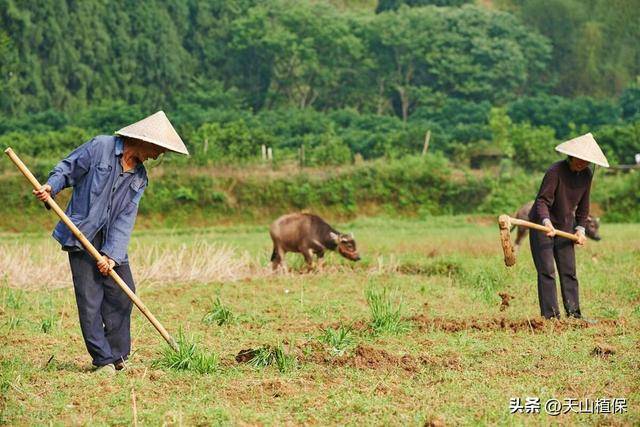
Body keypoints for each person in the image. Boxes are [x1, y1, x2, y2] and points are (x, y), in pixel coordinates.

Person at [33, 111, 189, 374]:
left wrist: (112, 256)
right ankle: (102, 360)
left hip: (111, 240)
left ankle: (118, 357)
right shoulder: (100, 147)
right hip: (81, 231)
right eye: (158, 149)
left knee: (122, 292)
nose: (158, 155)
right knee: (90, 299)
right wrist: (51, 186)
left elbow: (125, 219)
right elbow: (67, 168)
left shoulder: (140, 178)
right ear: (144, 141)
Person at [528, 133, 609, 320]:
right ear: (571, 156)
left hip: (565, 225)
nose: (583, 163)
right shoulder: (555, 171)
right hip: (542, 224)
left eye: (587, 161)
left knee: (569, 271)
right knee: (547, 270)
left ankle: (574, 315)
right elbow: (542, 201)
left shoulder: (586, 175)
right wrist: (546, 223)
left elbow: (583, 206)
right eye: (580, 159)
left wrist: (580, 229)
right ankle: (551, 317)